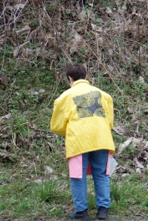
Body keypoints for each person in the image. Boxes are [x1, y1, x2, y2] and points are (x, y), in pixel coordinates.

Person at [50, 64, 115, 220]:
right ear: (86, 77)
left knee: (78, 175)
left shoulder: (64, 97)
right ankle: (103, 211)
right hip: (101, 138)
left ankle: (82, 213)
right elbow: (110, 122)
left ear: (70, 79)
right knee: (101, 174)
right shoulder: (103, 95)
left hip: (78, 140)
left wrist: (68, 131)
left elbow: (56, 126)